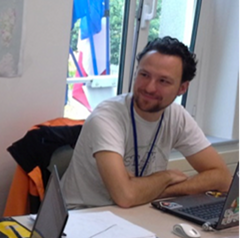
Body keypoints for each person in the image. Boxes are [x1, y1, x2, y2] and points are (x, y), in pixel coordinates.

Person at [62, 36, 231, 209]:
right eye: (144, 75)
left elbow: (222, 177)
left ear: (182, 88)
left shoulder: (177, 116)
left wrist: (160, 191)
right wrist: (167, 177)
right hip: (85, 214)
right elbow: (125, 196)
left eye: (163, 81)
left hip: (138, 209)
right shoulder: (107, 117)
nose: (149, 87)